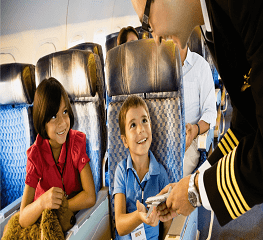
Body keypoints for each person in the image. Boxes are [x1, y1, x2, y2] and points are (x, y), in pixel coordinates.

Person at [131, 0, 263, 227]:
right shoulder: (213, 23)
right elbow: (248, 122)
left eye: (147, 23)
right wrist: (193, 181)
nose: (156, 38)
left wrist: (196, 191)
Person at [10, 77, 96, 230]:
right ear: (42, 120)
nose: (62, 122)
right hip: (42, 219)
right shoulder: (35, 156)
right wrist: (43, 202)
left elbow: (90, 196)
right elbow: (23, 219)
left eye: (64, 112)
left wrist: (61, 207)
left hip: (64, 219)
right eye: (54, 116)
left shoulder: (76, 142)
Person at [113, 95, 172, 239]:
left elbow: (167, 225)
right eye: (133, 125)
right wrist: (139, 217)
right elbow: (120, 226)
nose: (140, 129)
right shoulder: (121, 171)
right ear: (125, 140)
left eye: (144, 121)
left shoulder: (160, 174)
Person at [179, 44, 216, 177]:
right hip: (159, 141)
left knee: (175, 174)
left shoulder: (201, 66)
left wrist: (195, 130)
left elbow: (210, 112)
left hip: (189, 139)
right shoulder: (157, 68)